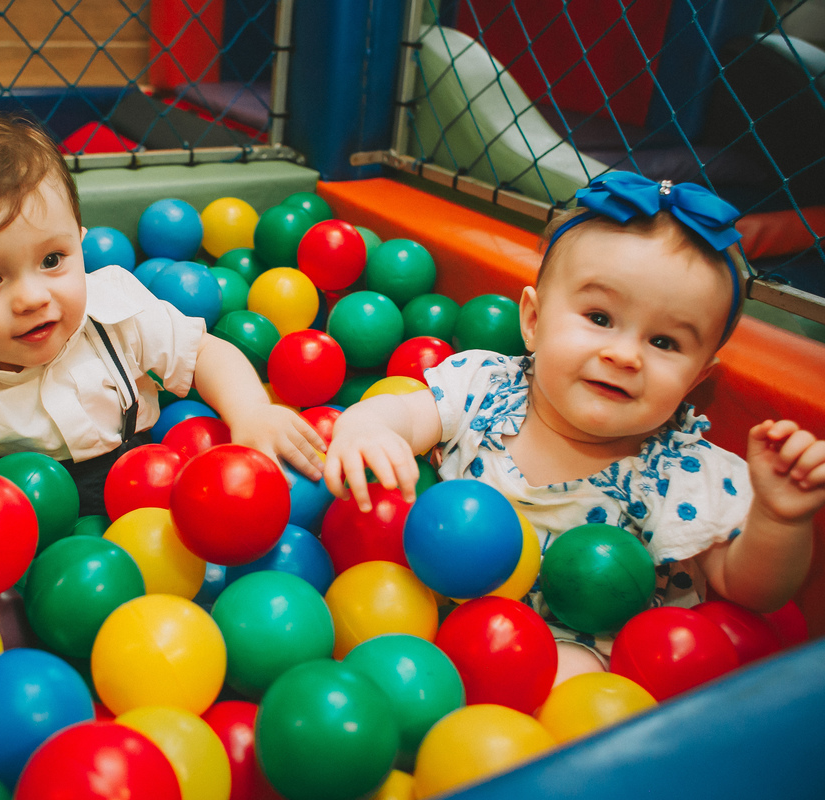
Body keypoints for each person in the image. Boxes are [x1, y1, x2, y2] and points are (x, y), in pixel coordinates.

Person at [324, 172, 825, 681]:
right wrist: (365, 428)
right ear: (533, 321)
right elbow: (407, 414)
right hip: (424, 606)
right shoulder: (484, 387)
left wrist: (779, 520)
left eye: (664, 343)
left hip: (576, 652)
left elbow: (748, 590)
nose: (624, 355)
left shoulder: (680, 473)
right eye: (600, 318)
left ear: (696, 378)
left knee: (568, 675)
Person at [0, 111, 325, 515]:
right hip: (25, 518)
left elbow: (204, 353)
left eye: (52, 260)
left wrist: (251, 413)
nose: (32, 298)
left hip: (147, 482)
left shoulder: (114, 314)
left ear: (80, 243)